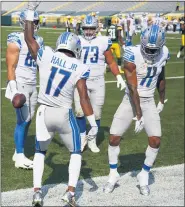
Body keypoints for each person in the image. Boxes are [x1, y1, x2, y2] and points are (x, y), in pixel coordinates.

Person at [24, 5, 99, 207]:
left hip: (44, 113)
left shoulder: (47, 54)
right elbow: (83, 97)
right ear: (76, 49)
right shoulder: (80, 66)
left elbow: (29, 39)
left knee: (40, 152)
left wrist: (30, 11)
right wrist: (93, 123)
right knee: (75, 152)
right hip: (64, 115)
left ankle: (37, 193)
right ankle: (70, 193)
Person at [103, 25, 170, 196]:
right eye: (148, 48)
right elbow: (133, 88)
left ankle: (144, 174)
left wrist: (161, 100)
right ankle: (113, 173)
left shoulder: (164, 53)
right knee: (113, 137)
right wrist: (139, 115)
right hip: (130, 101)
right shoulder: (132, 54)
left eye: (154, 49)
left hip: (148, 102)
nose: (151, 53)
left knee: (155, 141)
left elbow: (161, 76)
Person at [75, 15, 126, 153]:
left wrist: (119, 77)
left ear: (96, 28)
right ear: (82, 28)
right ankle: (81, 137)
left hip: (98, 81)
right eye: (86, 28)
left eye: (91, 28)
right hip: (80, 81)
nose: (89, 31)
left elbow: (111, 61)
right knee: (79, 112)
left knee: (96, 113)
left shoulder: (103, 41)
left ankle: (92, 139)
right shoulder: (77, 40)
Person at [5, 9, 43, 169]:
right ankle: (20, 156)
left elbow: (41, 64)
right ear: (23, 23)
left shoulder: (39, 39)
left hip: (32, 83)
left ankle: (17, 151)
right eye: (30, 23)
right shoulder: (16, 39)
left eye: (35, 22)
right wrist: (14, 89)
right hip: (20, 83)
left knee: (29, 118)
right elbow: (11, 66)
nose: (33, 26)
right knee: (23, 120)